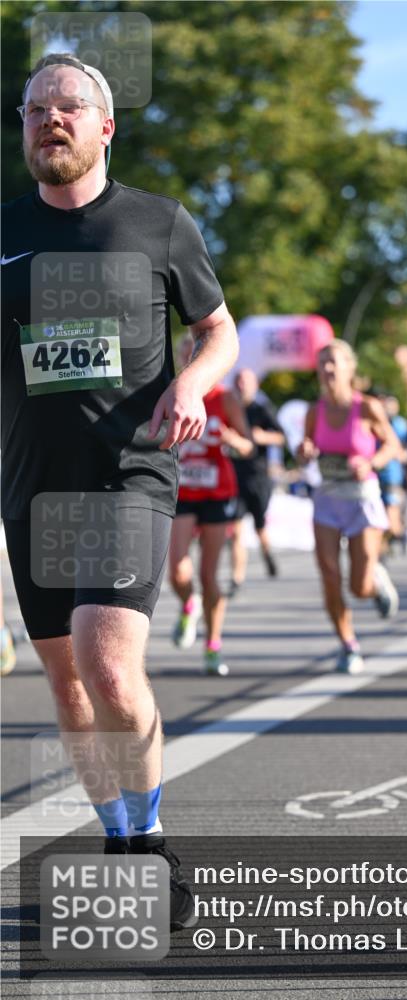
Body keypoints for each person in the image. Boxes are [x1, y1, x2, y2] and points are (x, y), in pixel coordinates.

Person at [1, 55, 238, 928]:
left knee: (108, 661)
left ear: (107, 127)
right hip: (30, 488)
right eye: (35, 109)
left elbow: (217, 331)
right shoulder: (5, 232)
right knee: (67, 688)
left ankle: (152, 840)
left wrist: (191, 384)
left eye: (69, 107)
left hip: (128, 471)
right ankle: (118, 835)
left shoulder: (157, 224)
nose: (50, 120)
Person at [298, 340, 400, 673]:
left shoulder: (368, 407)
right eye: (322, 363)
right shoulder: (315, 411)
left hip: (361, 501)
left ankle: (377, 581)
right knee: (329, 574)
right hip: (327, 498)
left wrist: (370, 461)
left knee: (359, 586)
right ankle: (348, 644)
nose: (327, 369)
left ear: (349, 368)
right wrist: (305, 450)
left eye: (333, 363)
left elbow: (392, 446)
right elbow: (306, 449)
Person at [169, 336, 253, 674]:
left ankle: (212, 646)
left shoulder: (225, 398)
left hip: (218, 492)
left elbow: (248, 446)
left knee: (209, 573)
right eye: (184, 354)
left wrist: (234, 440)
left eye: (196, 353)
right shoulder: (169, 392)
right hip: (183, 491)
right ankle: (189, 605)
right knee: (178, 570)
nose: (190, 360)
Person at [229, 368, 285, 592]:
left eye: (246, 382)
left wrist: (263, 436)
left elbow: (281, 437)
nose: (242, 386)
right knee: (236, 529)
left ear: (255, 386)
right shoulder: (230, 408)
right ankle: (237, 578)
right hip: (235, 475)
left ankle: (266, 552)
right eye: (239, 382)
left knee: (260, 526)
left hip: (257, 476)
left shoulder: (261, 409)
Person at [376, 394, 407, 554]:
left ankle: (393, 537)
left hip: (393, 478)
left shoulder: (400, 425)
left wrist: (400, 453)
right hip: (374, 478)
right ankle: (379, 550)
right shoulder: (373, 424)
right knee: (377, 518)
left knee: (392, 522)